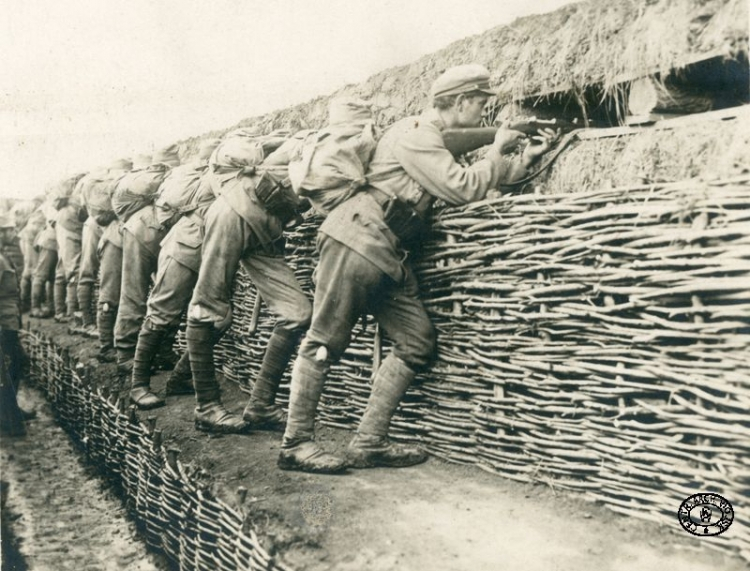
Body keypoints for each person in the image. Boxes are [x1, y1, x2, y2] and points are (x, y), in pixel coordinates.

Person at [279, 64, 559, 473]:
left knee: (417, 341)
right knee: (323, 341)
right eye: (481, 102)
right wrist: (498, 149)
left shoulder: (426, 137)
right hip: (357, 239)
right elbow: (462, 188)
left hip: (386, 251)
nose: (485, 110)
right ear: (461, 102)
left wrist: (522, 161)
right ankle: (295, 444)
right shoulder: (415, 133)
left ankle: (369, 442)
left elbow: (475, 181)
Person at [184, 128, 312, 434]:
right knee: (207, 304)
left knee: (298, 314)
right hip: (233, 215)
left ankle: (261, 406)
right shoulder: (312, 145)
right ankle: (207, 408)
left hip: (266, 229)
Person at [127, 138, 220, 409]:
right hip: (184, 249)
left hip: (205, 253)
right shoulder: (211, 179)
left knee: (220, 319)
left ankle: (179, 378)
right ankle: (138, 385)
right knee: (161, 313)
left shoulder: (207, 177)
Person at [113, 146, 179, 375]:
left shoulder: (169, 181)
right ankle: (125, 354)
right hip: (143, 235)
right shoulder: (174, 179)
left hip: (153, 235)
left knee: (168, 293)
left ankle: (161, 351)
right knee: (135, 293)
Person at [73, 159, 133, 337]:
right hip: (95, 227)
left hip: (108, 230)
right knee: (88, 271)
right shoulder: (108, 186)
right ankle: (87, 322)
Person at [96, 157, 142, 362]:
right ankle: (106, 347)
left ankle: (120, 342)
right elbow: (102, 216)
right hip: (114, 241)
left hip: (128, 238)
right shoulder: (112, 188)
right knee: (109, 295)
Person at [0, 213, 33, 436]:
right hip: (3, 325)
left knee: (16, 364)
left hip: (9, 322)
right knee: (8, 369)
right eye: (9, 229)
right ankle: (7, 417)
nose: (13, 232)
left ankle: (10, 411)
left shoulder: (3, 257)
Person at [52, 173, 87, 323]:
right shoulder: (83, 186)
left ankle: (60, 311)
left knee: (62, 269)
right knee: (74, 270)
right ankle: (73, 313)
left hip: (63, 225)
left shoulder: (73, 187)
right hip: (70, 227)